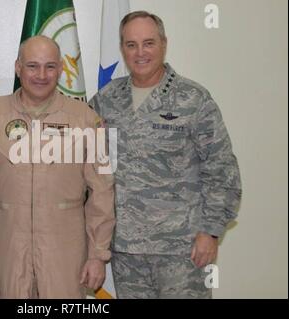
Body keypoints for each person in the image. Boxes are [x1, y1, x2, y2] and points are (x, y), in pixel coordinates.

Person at [89, 11, 242, 299]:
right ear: (122, 48)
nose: (140, 52)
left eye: (148, 43)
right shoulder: (106, 100)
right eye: (131, 44)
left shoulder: (193, 99)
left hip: (182, 250)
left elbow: (221, 169)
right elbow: (86, 165)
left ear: (163, 44)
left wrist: (210, 232)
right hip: (125, 250)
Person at [0, 35, 115, 298]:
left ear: (61, 69)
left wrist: (98, 254)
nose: (41, 75)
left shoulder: (85, 118)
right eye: (32, 66)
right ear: (18, 67)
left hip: (66, 254)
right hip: (9, 249)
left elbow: (102, 191)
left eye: (50, 66)